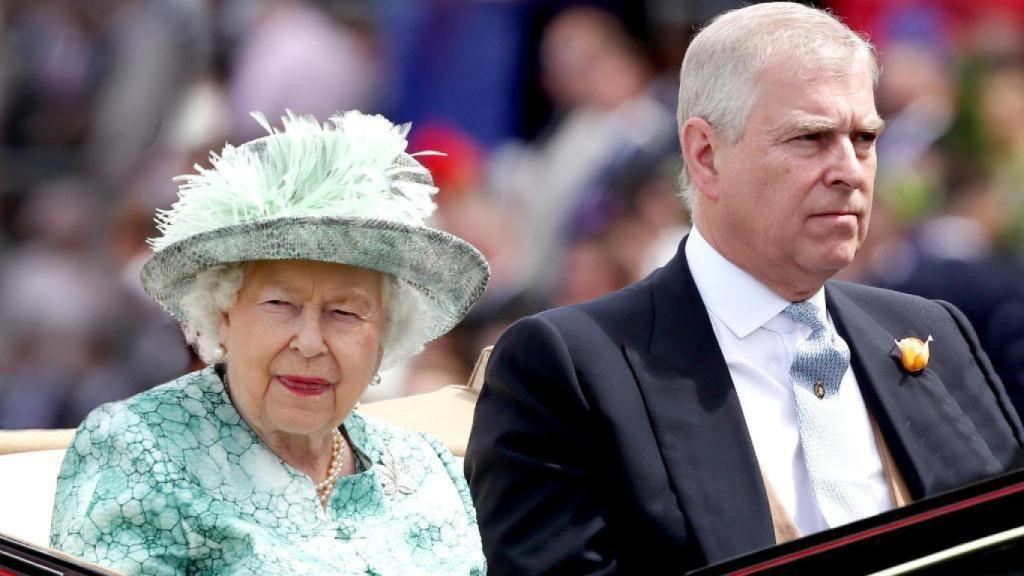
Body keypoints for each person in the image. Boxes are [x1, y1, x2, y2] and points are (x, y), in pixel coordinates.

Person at [465, 3, 1024, 574]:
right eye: (810, 138)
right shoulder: (566, 369)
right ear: (705, 156)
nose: (850, 170)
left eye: (864, 138)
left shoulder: (938, 335)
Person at [50, 111, 489, 575]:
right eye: (280, 304)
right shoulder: (137, 449)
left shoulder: (425, 468)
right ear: (224, 315)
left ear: (383, 337)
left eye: (344, 313)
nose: (310, 342)